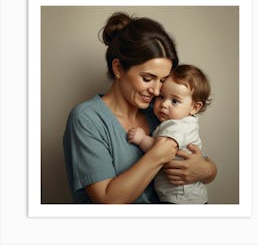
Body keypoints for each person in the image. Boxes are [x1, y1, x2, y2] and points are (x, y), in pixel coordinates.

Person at [63, 12, 217, 204]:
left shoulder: (159, 109)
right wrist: (158, 154)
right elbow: (108, 200)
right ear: (118, 68)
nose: (155, 90)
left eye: (162, 80)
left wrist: (207, 170)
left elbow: (199, 159)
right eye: (147, 78)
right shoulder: (87, 119)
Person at [128, 64, 211, 204]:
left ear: (194, 107)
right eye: (161, 97)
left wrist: (142, 139)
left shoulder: (176, 125)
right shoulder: (187, 122)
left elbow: (161, 151)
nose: (164, 104)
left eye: (175, 101)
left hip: (180, 200)